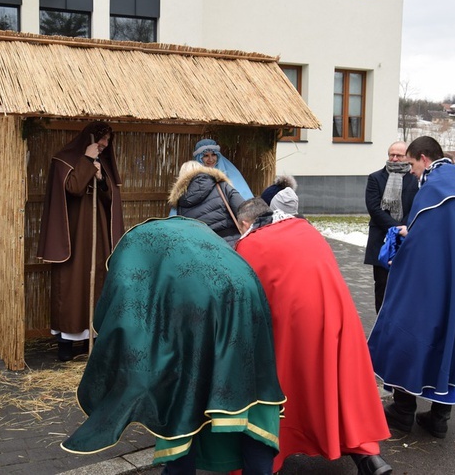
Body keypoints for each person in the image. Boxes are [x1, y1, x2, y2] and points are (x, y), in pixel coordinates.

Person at [61, 217, 286, 474]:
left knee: (178, 394)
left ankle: (178, 470)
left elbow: (120, 312)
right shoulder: (194, 230)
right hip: (246, 288)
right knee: (252, 392)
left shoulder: (132, 250)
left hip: (194, 303)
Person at [235, 198, 392, 475]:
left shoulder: (250, 244)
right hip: (338, 318)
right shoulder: (305, 228)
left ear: (246, 224)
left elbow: (246, 300)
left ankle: (270, 459)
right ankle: (369, 458)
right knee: (339, 389)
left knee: (285, 387)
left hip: (293, 325)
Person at [367, 136, 455, 439]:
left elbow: (420, 247)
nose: (410, 171)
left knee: (403, 333)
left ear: (423, 158)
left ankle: (402, 411)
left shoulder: (434, 190)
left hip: (431, 281)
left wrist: (399, 248)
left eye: (410, 164)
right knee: (451, 338)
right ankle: (439, 418)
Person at [37, 122, 124, 361]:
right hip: (73, 235)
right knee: (71, 284)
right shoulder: (64, 160)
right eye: (102, 138)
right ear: (89, 137)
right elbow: (73, 187)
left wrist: (102, 179)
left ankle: (91, 339)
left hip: (98, 232)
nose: (105, 144)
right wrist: (86, 161)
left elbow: (111, 197)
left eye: (108, 139)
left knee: (97, 282)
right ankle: (66, 344)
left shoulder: (103, 163)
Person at [364, 141, 418, 313]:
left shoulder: (415, 178)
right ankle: (381, 324)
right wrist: (396, 227)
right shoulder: (375, 178)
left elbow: (417, 205)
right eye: (391, 155)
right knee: (382, 286)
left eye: (399, 155)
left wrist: (405, 227)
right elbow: (374, 208)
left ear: (407, 157)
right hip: (382, 240)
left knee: (405, 287)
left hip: (407, 238)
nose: (394, 158)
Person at [167, 160, 244, 246]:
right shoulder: (221, 187)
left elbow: (186, 235)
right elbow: (244, 212)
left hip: (206, 250)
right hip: (233, 244)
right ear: (202, 169)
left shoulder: (181, 204)